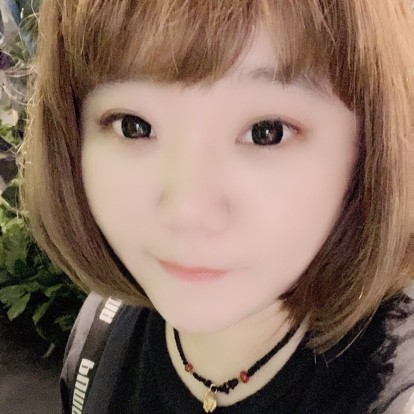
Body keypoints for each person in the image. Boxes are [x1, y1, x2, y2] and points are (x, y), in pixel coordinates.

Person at [21, 1, 414, 413]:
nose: (186, 210)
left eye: (266, 132)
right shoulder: (104, 336)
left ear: (370, 143)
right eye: (133, 126)